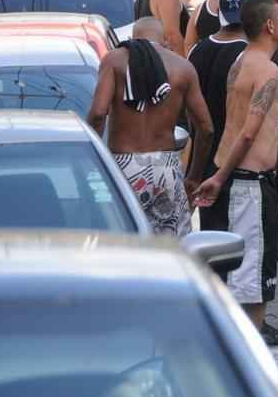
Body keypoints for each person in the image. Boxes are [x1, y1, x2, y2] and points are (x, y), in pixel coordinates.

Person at [194, 0, 278, 347]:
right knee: (251, 272)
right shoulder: (268, 70)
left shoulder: (241, 60)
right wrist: (220, 177)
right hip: (248, 184)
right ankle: (248, 350)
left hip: (235, 177)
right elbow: (248, 130)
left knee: (242, 268)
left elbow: (240, 119)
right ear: (270, 26)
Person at [86, 17, 214, 237]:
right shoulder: (183, 67)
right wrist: (194, 176)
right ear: (165, 41)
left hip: (123, 166)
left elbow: (98, 114)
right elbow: (206, 128)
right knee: (172, 249)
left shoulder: (115, 61)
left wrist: (91, 165)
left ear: (132, 38)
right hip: (167, 167)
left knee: (124, 241)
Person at [187, 0, 262, 181]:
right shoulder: (250, 56)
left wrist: (193, 173)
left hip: (201, 157)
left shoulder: (195, 51)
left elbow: (189, 113)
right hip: (237, 162)